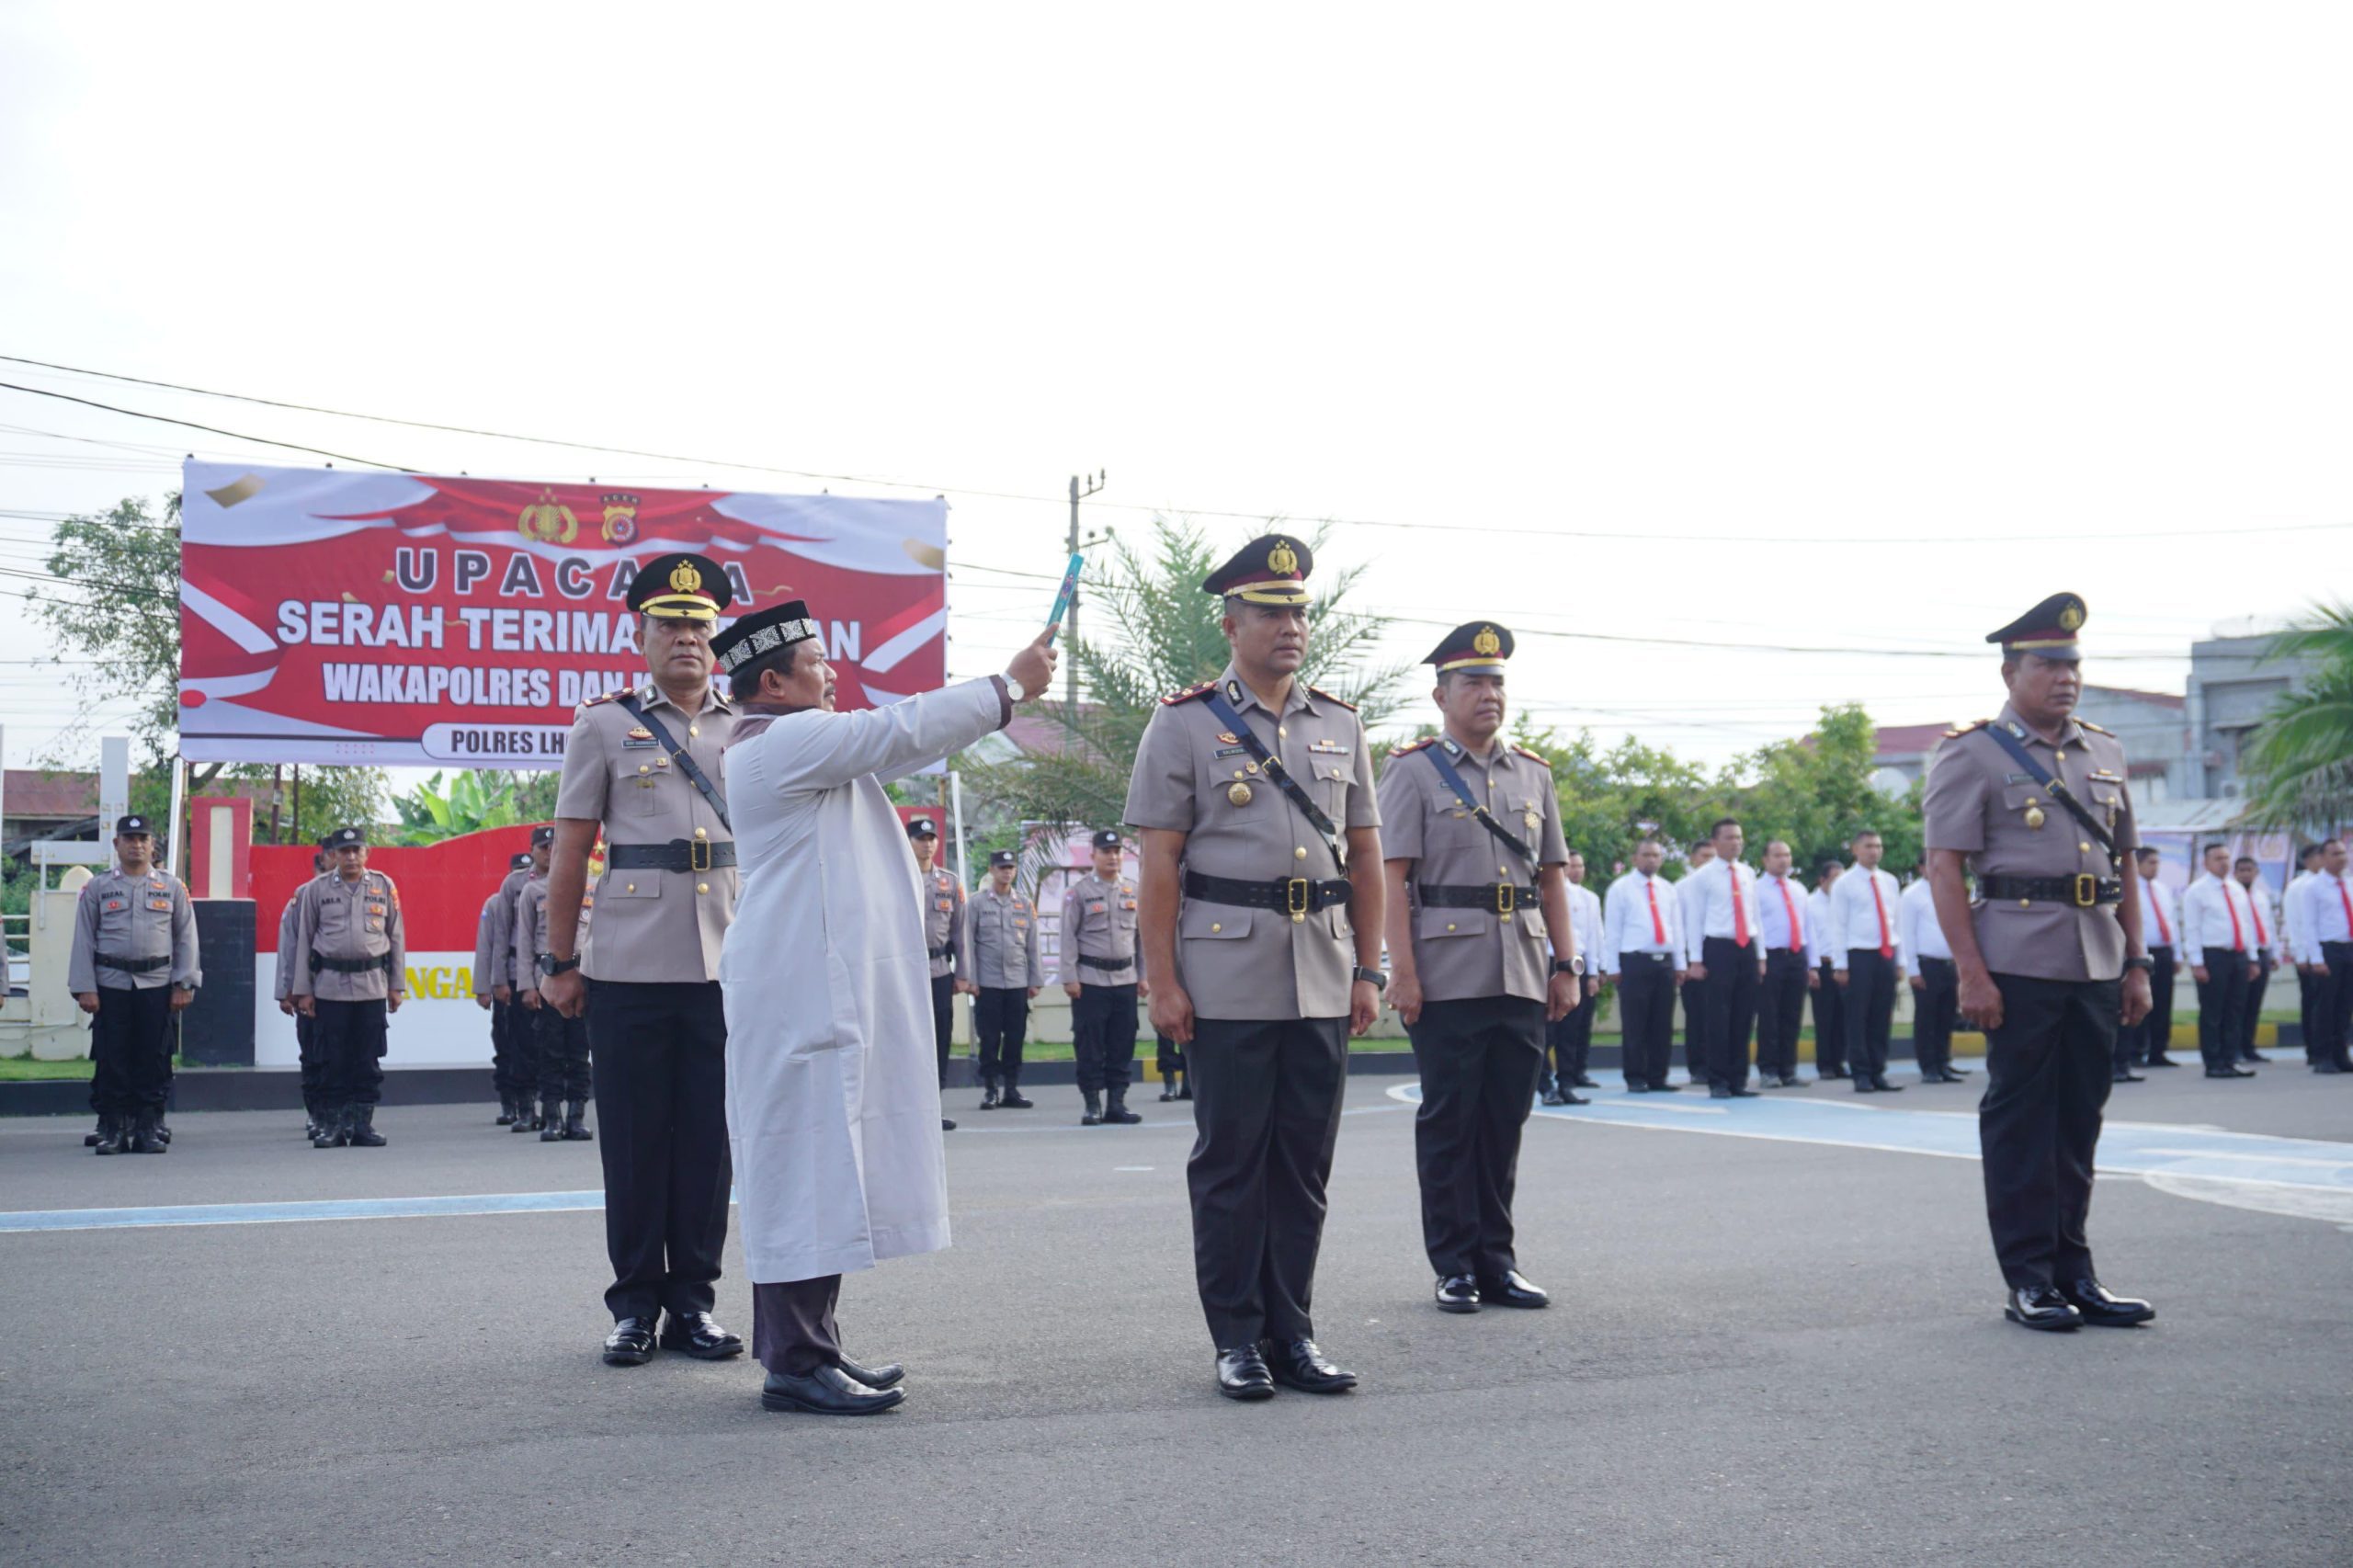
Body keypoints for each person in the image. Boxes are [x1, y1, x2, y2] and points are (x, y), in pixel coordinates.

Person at [710, 600, 1054, 1415]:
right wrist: (1008, 687)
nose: (832, 674)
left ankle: (811, 1348)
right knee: (801, 1169)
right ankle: (795, 1361)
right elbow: (899, 730)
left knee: (823, 1168)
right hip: (799, 996)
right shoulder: (779, 743)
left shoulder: (793, 746)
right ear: (773, 682)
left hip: (812, 989)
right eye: (817, 662)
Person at [1125, 533, 1385, 1402]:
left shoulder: (1342, 724)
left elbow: (1365, 858)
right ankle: (1236, 1337)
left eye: (1299, 612)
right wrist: (1161, 981)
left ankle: (1294, 1331)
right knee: (1232, 1163)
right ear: (1231, 622)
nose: (1289, 626)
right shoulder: (1183, 722)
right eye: (1271, 611)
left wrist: (1369, 970)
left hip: (1320, 968)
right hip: (1225, 972)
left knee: (1303, 1166)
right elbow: (1160, 864)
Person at [1923, 591, 2155, 1332]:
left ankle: (2076, 1273)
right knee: (2022, 1124)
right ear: (2010, 672)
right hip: (2016, 962)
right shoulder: (1972, 753)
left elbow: (2123, 866)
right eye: (2049, 665)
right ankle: (2029, 1279)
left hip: (2095, 958)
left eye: (2073, 665)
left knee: (2079, 1121)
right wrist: (1971, 971)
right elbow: (1943, 869)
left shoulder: (2106, 751)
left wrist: (2138, 961)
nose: (2065, 678)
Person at [536, 552, 744, 1369]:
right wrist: (559, 960)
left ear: (716, 636)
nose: (686, 638)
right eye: (670, 625)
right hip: (625, 966)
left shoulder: (747, 728)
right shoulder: (602, 725)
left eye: (698, 625)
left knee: (707, 1144)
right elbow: (572, 850)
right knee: (632, 1142)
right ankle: (633, 1307)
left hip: (729, 965)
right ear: (641, 635)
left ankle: (693, 1303)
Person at [1379, 622, 1578, 1313]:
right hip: (1446, 973)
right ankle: (1454, 1264)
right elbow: (1393, 880)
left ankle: (1497, 1259)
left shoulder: (1533, 772)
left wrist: (1567, 964)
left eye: (1496, 682)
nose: (1488, 694)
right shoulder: (1411, 770)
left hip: (1522, 969)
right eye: (1474, 682)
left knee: (1503, 1121)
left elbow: (1551, 880)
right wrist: (1400, 973)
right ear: (1442, 694)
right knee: (1450, 1122)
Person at [67, 814, 199, 1155]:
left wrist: (184, 982)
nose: (136, 845)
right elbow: (83, 940)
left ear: (152, 844)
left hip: (156, 984)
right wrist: (85, 986)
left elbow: (186, 938)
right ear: (117, 845)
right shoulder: (98, 888)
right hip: (110, 984)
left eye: (143, 839)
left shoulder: (171, 887)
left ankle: (148, 1127)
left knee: (153, 1057)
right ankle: (112, 1128)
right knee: (112, 1058)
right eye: (129, 839)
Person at [290, 826, 405, 1149]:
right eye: (344, 851)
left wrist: (397, 985)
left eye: (357, 850)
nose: (351, 856)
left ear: (367, 853)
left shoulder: (383, 886)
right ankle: (333, 1126)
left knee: (367, 1058)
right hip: (330, 988)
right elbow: (304, 943)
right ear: (334, 856)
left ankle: (362, 1126)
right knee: (332, 1059)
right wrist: (304, 991)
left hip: (371, 986)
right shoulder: (317, 890)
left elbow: (395, 936)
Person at [1061, 829, 1147, 1127]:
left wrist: (1144, 976)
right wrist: (1069, 977)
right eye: (1106, 851)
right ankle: (1092, 1103)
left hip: (1125, 978)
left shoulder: (1133, 890)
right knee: (1090, 1044)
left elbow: (1141, 938)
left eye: (1117, 851)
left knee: (1123, 1043)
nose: (1112, 857)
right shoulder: (1079, 892)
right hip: (1090, 981)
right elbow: (1068, 938)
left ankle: (1117, 1103)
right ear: (1093, 855)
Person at [516, 825, 593, 1142]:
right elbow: (523, 942)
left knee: (579, 1052)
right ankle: (552, 1118)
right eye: (544, 847)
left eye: (555, 846)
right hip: (548, 981)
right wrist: (527, 986)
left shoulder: (592, 886)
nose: (550, 852)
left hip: (586, 978)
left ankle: (575, 1117)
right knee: (549, 1052)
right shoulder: (532, 891)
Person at [1679, 818, 1764, 1097]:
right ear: (1715, 843)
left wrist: (1760, 955)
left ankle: (1738, 1079)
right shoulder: (1702, 877)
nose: (1736, 842)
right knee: (1718, 1017)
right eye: (1729, 837)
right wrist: (1696, 960)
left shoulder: (1748, 873)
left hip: (1746, 947)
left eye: (1739, 837)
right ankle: (1718, 1080)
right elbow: (1695, 919)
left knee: (1744, 1015)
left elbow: (1755, 916)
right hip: (1718, 947)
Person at [1600, 838, 1686, 1092]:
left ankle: (1658, 1077)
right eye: (1646, 855)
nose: (1651, 859)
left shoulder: (1668, 889)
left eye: (1656, 855)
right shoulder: (1620, 888)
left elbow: (1676, 929)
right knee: (1635, 1023)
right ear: (1635, 859)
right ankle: (1635, 1076)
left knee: (1662, 1023)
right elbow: (1612, 930)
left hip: (1664, 962)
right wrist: (1612, 966)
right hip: (1634, 962)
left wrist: (1680, 963)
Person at [966, 849, 1042, 1109]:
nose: (1006, 872)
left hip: (1017, 982)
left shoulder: (1023, 903)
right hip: (987, 983)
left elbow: (1033, 946)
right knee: (989, 1038)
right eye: (1001, 867)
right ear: (991, 870)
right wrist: (970, 979)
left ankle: (1011, 1088)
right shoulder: (976, 904)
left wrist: (1035, 980)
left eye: (1010, 867)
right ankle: (990, 1089)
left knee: (1015, 1037)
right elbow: (968, 944)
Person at [1830, 830, 1904, 1093]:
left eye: (1878, 846)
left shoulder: (1890, 881)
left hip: (1885, 953)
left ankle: (1878, 1070)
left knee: (1881, 1015)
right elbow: (1838, 925)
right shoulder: (1844, 883)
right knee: (1857, 1016)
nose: (1875, 851)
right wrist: (1841, 964)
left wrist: (1900, 960)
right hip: (1858, 954)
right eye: (1869, 846)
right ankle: (1860, 1072)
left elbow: (1897, 921)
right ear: (1855, 850)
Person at [2182, 842, 2260, 1080]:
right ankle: (2213, 1062)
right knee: (2213, 1011)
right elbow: (2192, 928)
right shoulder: (2197, 891)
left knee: (2235, 1010)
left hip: (2237, 955)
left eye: (2226, 857)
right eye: (2218, 858)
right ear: (2206, 863)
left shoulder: (2237, 889)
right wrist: (2197, 962)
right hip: (2212, 956)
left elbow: (2247, 925)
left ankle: (2230, 1058)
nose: (2224, 862)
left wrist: (2252, 958)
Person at [908, 815, 967, 1131]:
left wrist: (963, 973)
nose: (928, 844)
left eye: (932, 838)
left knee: (939, 1038)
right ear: (910, 842)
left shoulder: (950, 881)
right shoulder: (898, 876)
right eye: (921, 838)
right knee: (910, 1039)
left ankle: (935, 1105)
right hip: (907, 972)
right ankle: (910, 1109)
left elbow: (960, 931)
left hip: (940, 971)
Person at [473, 847, 538, 1129]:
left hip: (536, 978)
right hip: (508, 981)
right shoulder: (495, 903)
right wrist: (485, 986)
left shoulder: (543, 895)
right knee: (506, 1041)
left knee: (536, 1044)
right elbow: (487, 948)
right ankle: (509, 1101)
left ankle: (537, 1102)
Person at [272, 849, 331, 1142]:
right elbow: (289, 945)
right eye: (334, 855)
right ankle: (317, 1112)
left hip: (346, 991)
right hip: (310, 989)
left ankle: (343, 1114)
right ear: (321, 863)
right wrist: (287, 990)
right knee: (313, 1053)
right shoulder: (303, 895)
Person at [1542, 850, 1605, 1104]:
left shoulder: (1586, 897)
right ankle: (1545, 1086)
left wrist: (1593, 972)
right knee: (1545, 1031)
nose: (1574, 870)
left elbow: (1593, 936)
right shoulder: (1539, 891)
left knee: (1571, 1030)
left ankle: (1567, 1083)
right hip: (1545, 962)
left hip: (1574, 964)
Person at [1896, 859, 1966, 1084]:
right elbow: (1907, 933)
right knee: (1927, 1016)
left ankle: (1943, 1062)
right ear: (1920, 868)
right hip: (1927, 964)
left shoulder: (1950, 889)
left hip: (1949, 963)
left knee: (1946, 1015)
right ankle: (1928, 1066)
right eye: (1929, 865)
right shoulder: (1911, 895)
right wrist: (1913, 969)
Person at [2286, 838, 2352, 1074]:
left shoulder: (2350, 883)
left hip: (2349, 948)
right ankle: (2322, 1055)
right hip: (2327, 950)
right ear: (2323, 858)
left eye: (2343, 853)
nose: (2341, 858)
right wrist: (2316, 958)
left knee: (2344, 1007)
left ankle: (2341, 1053)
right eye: (2335, 854)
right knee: (2325, 1005)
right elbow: (2309, 926)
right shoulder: (2312, 887)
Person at [1753, 839, 1814, 1088]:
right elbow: (1754, 928)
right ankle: (1768, 1069)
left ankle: (1788, 1069)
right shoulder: (1756, 890)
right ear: (1765, 860)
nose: (1783, 860)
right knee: (1769, 1015)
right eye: (1777, 855)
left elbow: (1807, 927)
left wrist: (1813, 964)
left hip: (1796, 956)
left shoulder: (1799, 889)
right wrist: (1759, 959)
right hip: (1771, 956)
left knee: (1792, 1013)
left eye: (1787, 855)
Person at [2118, 847, 2182, 1070]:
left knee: (2163, 1003)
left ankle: (2158, 1051)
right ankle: (2136, 1052)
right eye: (2151, 863)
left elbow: (2172, 923)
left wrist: (2178, 954)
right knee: (2139, 1001)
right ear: (2138, 864)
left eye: (2158, 863)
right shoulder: (2130, 890)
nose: (2156, 867)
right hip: (2143, 954)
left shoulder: (2163, 890)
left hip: (2164, 951)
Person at [2234, 858, 2282, 1064]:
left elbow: (2269, 925)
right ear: (2235, 873)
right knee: (2238, 1004)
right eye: (2241, 870)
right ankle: (2234, 1048)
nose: (2245, 874)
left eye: (2249, 870)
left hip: (2263, 952)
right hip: (2243, 954)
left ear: (2256, 872)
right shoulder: (2233, 895)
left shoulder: (2261, 896)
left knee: (2254, 1004)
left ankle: (2249, 1046)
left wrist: (2275, 953)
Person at [1676, 840, 1715, 1085]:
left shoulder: (1722, 884)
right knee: (1697, 1015)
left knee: (1718, 1014)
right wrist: (1686, 962)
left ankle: (1717, 1064)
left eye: (1713, 856)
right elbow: (1677, 928)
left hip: (1718, 955)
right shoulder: (1681, 888)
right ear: (1693, 858)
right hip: (1692, 957)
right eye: (1704, 856)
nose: (1709, 861)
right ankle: (1698, 1066)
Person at [2282, 845, 2325, 1068]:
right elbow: (2295, 923)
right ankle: (2314, 1049)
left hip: (2333, 953)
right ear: (2308, 860)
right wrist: (2300, 954)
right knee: (2313, 1003)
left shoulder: (2338, 883)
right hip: (2308, 955)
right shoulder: (2298, 887)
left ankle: (2333, 1048)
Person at [1807, 859, 1848, 1079]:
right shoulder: (1810, 904)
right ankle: (1825, 1065)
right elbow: (1809, 938)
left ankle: (1839, 1062)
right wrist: (1811, 966)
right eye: (1835, 879)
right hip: (1821, 965)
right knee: (1825, 1018)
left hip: (1842, 965)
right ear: (1822, 880)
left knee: (1843, 1018)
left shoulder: (1845, 903)